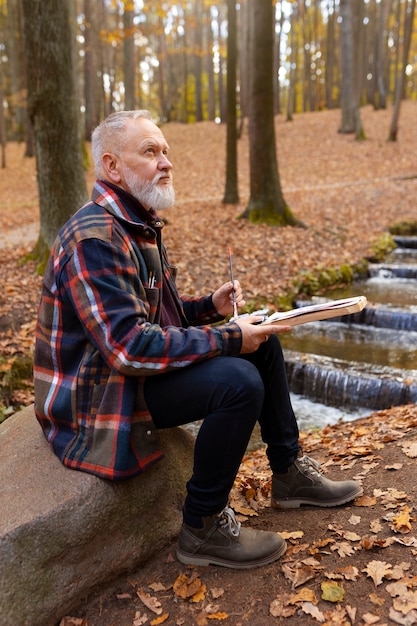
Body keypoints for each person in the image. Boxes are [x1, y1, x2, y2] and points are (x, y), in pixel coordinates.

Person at [34, 110, 363, 570]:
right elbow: (129, 347)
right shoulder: (94, 238)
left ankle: (288, 474)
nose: (166, 161)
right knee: (238, 382)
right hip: (97, 397)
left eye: (165, 150)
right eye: (150, 151)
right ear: (112, 167)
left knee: (262, 339)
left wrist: (213, 306)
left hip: (125, 375)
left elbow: (160, 319)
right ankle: (203, 527)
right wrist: (229, 338)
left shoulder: (136, 223)